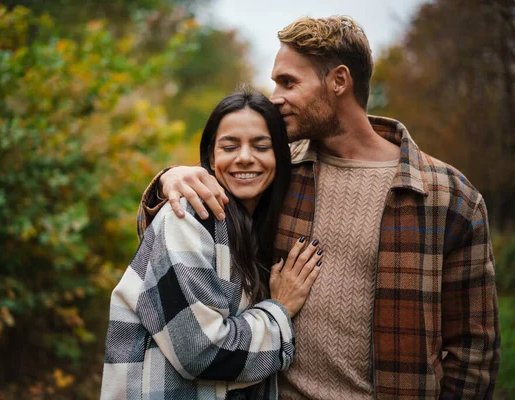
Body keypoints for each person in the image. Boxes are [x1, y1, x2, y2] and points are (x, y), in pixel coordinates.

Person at [137, 16, 501, 400]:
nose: (274, 96)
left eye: (288, 82)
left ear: (339, 81)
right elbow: (185, 230)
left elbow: (473, 352)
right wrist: (168, 179)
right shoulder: (279, 171)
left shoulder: (449, 197)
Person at [100, 88, 325, 400]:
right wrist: (280, 309)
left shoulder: (255, 227)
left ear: (280, 158)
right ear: (211, 156)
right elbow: (200, 351)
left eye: (261, 146)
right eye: (229, 146)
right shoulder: (189, 217)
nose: (245, 157)